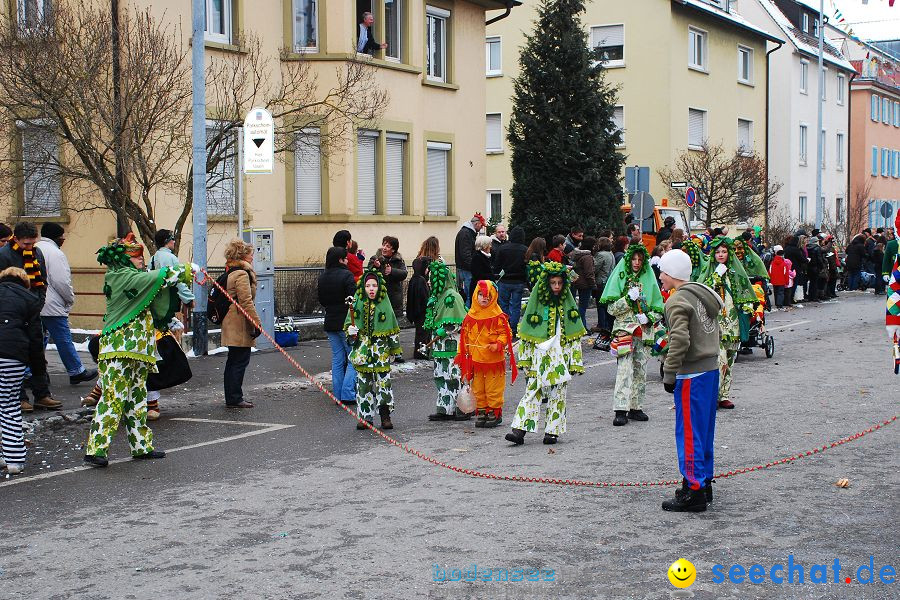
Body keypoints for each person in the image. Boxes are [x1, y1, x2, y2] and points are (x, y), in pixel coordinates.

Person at [83, 233, 193, 468]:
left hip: (140, 350)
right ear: (124, 259)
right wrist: (184, 269)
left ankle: (141, 446)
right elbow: (157, 277)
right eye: (135, 256)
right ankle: (96, 449)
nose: (141, 260)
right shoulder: (119, 276)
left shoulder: (135, 276)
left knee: (137, 401)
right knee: (113, 399)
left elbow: (154, 296)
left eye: (141, 256)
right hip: (119, 351)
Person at [657, 250, 722, 512]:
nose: (660, 277)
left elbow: (680, 340)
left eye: (662, 271)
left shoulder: (676, 301)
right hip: (710, 370)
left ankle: (692, 489)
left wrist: (669, 372)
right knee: (704, 430)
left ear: (671, 274)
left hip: (691, 374)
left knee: (689, 433)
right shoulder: (700, 294)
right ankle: (704, 483)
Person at [505, 261, 586, 445]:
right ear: (546, 284)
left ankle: (552, 431)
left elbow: (574, 334)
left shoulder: (567, 305)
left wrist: (574, 360)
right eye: (553, 283)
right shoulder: (536, 306)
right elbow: (527, 334)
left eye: (559, 283)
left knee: (558, 394)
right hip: (539, 356)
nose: (556, 287)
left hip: (561, 355)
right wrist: (525, 360)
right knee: (532, 390)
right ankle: (519, 430)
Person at [600, 244, 665, 426]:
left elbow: (658, 309)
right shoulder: (620, 277)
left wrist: (649, 317)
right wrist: (628, 299)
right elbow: (611, 309)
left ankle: (636, 407)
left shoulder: (649, 279)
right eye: (634, 259)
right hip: (624, 331)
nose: (636, 263)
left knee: (640, 369)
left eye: (640, 259)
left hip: (643, 332)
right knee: (624, 369)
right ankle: (620, 409)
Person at [0, 222, 61, 412]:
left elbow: (42, 280)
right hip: (13, 315)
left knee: (37, 355)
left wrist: (38, 303)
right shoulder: (4, 255)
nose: (30, 247)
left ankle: (42, 395)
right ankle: (19, 398)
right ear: (15, 239)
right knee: (18, 355)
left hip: (33, 310)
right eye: (26, 244)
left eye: (32, 243)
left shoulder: (37, 252)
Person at [698, 238, 757, 410]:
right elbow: (703, 290)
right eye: (717, 252)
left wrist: (747, 306)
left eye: (723, 252)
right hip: (717, 323)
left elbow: (744, 293)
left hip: (733, 323)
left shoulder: (735, 272)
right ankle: (712, 396)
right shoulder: (710, 272)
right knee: (719, 360)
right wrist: (717, 274)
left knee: (730, 360)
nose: (721, 255)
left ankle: (724, 395)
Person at [37, 223, 97, 386]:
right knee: (63, 338)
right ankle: (76, 370)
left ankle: (35, 372)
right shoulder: (55, 253)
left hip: (36, 303)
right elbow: (61, 281)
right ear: (56, 237)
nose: (64, 239)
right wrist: (69, 299)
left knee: (37, 339)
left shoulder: (35, 248)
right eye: (62, 236)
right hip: (52, 304)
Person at [0, 267, 45, 475]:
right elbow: (36, 339)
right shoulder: (29, 300)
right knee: (9, 405)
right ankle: (14, 461)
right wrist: (38, 374)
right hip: (13, 357)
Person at [455, 280, 517, 428]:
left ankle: (494, 412)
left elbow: (506, 333)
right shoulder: (470, 316)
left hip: (493, 362)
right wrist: (462, 355)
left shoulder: (498, 315)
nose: (484, 298)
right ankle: (481, 410)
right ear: (476, 295)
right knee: (478, 389)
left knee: (493, 388)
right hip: (476, 362)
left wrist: (499, 344)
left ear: (493, 297)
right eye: (481, 295)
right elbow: (465, 337)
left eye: (488, 296)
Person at [346, 269, 401, 430]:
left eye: (374, 285)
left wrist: (394, 350)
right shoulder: (357, 302)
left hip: (380, 352)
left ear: (379, 287)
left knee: (383, 384)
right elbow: (350, 324)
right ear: (363, 287)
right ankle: (365, 417)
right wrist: (351, 332)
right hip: (363, 352)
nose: (371, 288)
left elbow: (392, 327)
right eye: (368, 285)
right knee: (363, 385)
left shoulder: (384, 303)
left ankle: (385, 416)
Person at [148, 229, 195, 419]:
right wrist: (189, 298)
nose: (175, 242)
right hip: (163, 311)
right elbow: (177, 280)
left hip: (154, 309)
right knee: (159, 356)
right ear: (169, 241)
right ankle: (152, 403)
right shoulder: (169, 259)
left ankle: (151, 402)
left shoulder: (152, 258)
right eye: (173, 239)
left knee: (153, 355)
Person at [422, 260, 468, 421]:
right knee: (441, 376)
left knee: (454, 376)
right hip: (439, 346)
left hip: (452, 346)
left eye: (431, 277)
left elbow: (459, 321)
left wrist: (447, 328)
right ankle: (444, 407)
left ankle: (461, 408)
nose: (428, 281)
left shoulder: (452, 296)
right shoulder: (437, 298)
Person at [221, 238, 261, 409]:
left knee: (233, 360)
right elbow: (246, 301)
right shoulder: (241, 274)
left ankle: (232, 396)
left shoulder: (231, 271)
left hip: (231, 320)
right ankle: (235, 398)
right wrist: (257, 323)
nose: (253, 257)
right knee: (239, 360)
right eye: (251, 254)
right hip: (238, 322)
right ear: (243, 255)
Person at [318, 246, 358, 405]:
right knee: (353, 358)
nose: (348, 261)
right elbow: (353, 298)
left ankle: (338, 393)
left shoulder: (323, 277)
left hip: (330, 321)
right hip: (345, 322)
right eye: (346, 258)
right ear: (341, 259)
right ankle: (348, 393)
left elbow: (321, 300)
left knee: (337, 358)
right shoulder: (347, 275)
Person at [368, 236, 408, 343]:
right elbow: (368, 274)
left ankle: (395, 349)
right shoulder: (375, 258)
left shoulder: (399, 260)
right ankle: (381, 348)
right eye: (384, 245)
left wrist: (392, 271)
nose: (384, 248)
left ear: (393, 249)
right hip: (379, 299)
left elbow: (404, 273)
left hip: (393, 299)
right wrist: (376, 267)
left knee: (394, 327)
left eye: (388, 246)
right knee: (379, 326)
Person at [409, 237, 440, 360]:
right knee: (423, 332)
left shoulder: (416, 278)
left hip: (419, 311)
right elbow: (423, 298)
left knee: (422, 331)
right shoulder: (421, 281)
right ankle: (421, 352)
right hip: (422, 311)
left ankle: (423, 350)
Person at [495, 226, 527, 336]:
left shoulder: (503, 248)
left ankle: (505, 326)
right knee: (516, 306)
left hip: (504, 281)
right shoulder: (525, 249)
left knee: (504, 305)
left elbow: (497, 266)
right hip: (518, 281)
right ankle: (513, 329)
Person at [454, 213, 485, 306]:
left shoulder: (466, 233)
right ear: (476, 224)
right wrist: (473, 267)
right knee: (469, 295)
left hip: (464, 269)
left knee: (468, 294)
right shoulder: (466, 234)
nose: (481, 228)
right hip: (466, 270)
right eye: (481, 225)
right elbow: (465, 254)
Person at [571, 237, 596, 329]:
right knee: (583, 307)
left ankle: (579, 326)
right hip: (585, 284)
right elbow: (589, 273)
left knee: (580, 306)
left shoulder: (578, 254)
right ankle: (582, 327)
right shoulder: (587, 257)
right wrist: (593, 285)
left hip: (577, 282)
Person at [592, 237, 615, 336]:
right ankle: (607, 325)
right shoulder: (611, 254)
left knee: (600, 305)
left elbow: (595, 268)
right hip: (609, 281)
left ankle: (602, 325)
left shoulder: (601, 255)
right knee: (606, 305)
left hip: (601, 281)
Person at [783, 235, 807, 301]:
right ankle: (791, 298)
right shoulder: (796, 250)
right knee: (795, 283)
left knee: (788, 284)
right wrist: (807, 260)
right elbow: (801, 259)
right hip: (796, 268)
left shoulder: (786, 249)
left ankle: (787, 298)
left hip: (788, 268)